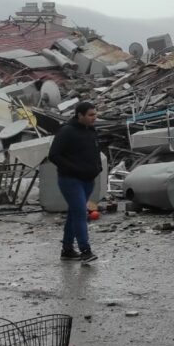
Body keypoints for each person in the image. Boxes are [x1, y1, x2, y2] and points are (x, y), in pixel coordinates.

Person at [49, 102, 104, 263]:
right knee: (80, 212)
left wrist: (98, 168)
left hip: (88, 180)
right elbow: (54, 155)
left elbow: (96, 151)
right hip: (70, 180)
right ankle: (85, 250)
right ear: (80, 115)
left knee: (74, 214)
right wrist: (74, 169)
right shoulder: (67, 132)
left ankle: (67, 249)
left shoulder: (91, 131)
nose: (94, 118)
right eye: (90, 115)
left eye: (95, 114)